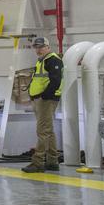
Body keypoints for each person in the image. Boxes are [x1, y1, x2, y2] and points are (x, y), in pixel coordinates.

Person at [24, 37, 64, 172]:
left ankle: (38, 162)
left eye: (41, 47)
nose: (38, 49)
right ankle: (53, 161)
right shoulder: (42, 61)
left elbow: (56, 80)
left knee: (42, 131)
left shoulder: (53, 60)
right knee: (48, 131)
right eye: (36, 47)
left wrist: (45, 96)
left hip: (46, 100)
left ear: (48, 47)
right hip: (40, 99)